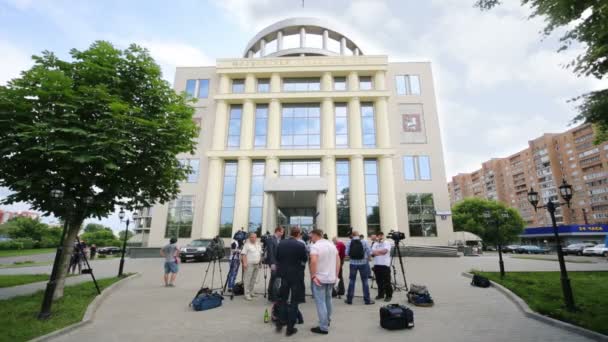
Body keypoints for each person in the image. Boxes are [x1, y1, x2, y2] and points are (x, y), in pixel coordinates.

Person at [275, 227, 308, 337]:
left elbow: (277, 257)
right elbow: (304, 259)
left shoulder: (282, 243)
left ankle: (280, 322)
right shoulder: (300, 245)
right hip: (296, 276)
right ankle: (290, 328)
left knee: (283, 299)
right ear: (298, 234)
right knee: (294, 301)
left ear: (290, 233)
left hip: (284, 275)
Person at [309, 229, 340, 335]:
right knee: (328, 300)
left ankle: (323, 327)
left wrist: (313, 276)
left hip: (320, 278)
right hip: (331, 278)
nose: (310, 238)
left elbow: (313, 261)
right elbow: (338, 260)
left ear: (315, 235)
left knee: (321, 302)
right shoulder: (331, 245)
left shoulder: (315, 246)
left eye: (311, 236)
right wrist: (336, 275)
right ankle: (327, 321)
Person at [345, 230, 374, 305]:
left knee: (352, 281)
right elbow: (369, 252)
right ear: (358, 235)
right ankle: (367, 300)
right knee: (365, 281)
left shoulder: (349, 242)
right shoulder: (364, 241)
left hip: (352, 264)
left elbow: (346, 253)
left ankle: (349, 300)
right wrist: (368, 257)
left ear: (352, 235)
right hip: (363, 263)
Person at [371, 232, 393, 302]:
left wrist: (376, 252)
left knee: (387, 281)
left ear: (383, 236)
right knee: (378, 281)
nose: (379, 237)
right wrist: (378, 252)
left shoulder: (387, 243)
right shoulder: (375, 243)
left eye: (381, 236)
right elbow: (372, 253)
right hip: (377, 265)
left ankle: (389, 295)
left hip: (385, 265)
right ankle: (381, 294)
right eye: (378, 236)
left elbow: (385, 251)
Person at [241, 232, 262, 301]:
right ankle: (246, 294)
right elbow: (243, 255)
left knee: (253, 279)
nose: (254, 238)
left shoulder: (258, 244)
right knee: (247, 279)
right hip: (249, 264)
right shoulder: (246, 245)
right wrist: (244, 263)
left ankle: (251, 292)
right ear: (249, 238)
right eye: (252, 237)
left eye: (255, 237)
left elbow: (260, 254)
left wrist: (260, 262)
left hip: (257, 264)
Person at [265, 226, 284, 301]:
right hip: (274, 263)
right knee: (276, 280)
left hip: (278, 262)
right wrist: (272, 263)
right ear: (277, 231)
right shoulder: (271, 239)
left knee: (273, 279)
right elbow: (270, 252)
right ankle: (274, 297)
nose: (282, 233)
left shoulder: (278, 239)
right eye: (282, 232)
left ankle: (271, 295)